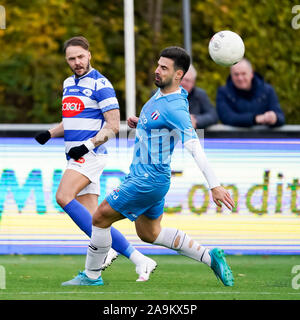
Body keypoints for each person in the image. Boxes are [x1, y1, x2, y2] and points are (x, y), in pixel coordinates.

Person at [62, 46, 235, 287]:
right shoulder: (162, 94)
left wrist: (214, 186)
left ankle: (91, 276)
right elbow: (157, 123)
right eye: (158, 64)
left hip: (145, 180)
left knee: (100, 217)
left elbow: (195, 146)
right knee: (149, 233)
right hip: (155, 180)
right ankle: (210, 257)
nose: (157, 70)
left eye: (164, 68)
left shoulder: (175, 107)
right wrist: (139, 123)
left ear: (178, 75)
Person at [34, 36, 156, 282]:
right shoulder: (69, 83)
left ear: (89, 54)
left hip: (90, 156)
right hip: (77, 157)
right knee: (97, 222)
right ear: (67, 60)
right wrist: (50, 133)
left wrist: (86, 146)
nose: (77, 62)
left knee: (62, 196)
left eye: (80, 56)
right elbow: (71, 121)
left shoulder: (102, 84)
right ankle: (138, 259)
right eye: (72, 59)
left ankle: (107, 253)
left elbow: (113, 126)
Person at [216, 58, 285, 127]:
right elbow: (227, 118)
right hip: (234, 137)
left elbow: (281, 117)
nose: (240, 78)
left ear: (251, 74)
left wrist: (274, 118)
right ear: (231, 75)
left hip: (263, 137)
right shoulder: (223, 92)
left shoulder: (268, 90)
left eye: (243, 74)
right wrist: (256, 119)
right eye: (236, 74)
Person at [180, 64, 218, 129]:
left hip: (196, 135)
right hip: (167, 135)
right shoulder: (162, 93)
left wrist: (196, 120)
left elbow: (213, 115)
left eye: (187, 80)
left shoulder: (200, 94)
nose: (183, 83)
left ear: (193, 82)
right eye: (181, 79)